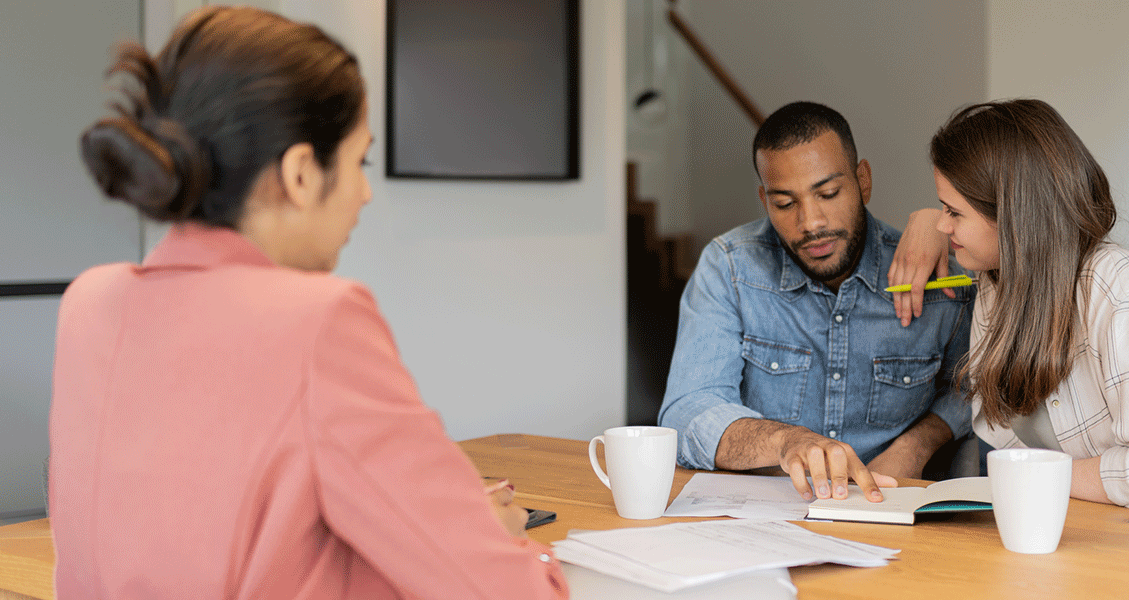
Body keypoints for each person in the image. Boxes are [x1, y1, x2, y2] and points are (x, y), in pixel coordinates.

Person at [49, 6, 568, 598]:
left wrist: (447, 525)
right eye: (358, 162)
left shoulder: (90, 304)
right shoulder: (317, 319)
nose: (365, 193)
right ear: (300, 174)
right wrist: (496, 538)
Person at [658, 102, 974, 503]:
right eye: (785, 204)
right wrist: (787, 441)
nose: (810, 223)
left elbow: (973, 388)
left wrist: (916, 446)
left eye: (827, 193)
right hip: (771, 514)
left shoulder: (940, 275)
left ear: (863, 180)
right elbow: (688, 412)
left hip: (896, 510)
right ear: (764, 199)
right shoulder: (731, 267)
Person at [900, 98, 1129, 513]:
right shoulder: (996, 281)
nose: (941, 225)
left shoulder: (1125, 296)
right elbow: (1000, 430)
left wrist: (1036, 476)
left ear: (1015, 216)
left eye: (953, 212)